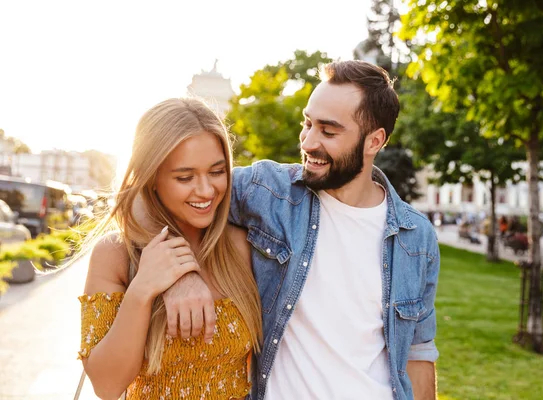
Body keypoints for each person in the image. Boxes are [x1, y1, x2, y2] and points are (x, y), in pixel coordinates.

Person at [158, 61, 440, 400]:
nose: (308, 141)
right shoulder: (267, 191)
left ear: (374, 141)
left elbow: (418, 352)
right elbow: (153, 195)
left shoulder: (416, 236)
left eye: (328, 131)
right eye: (307, 123)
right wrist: (179, 275)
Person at [77, 98, 262, 399]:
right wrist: (143, 289)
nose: (205, 191)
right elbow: (107, 386)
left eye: (217, 172)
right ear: (152, 179)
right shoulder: (115, 254)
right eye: (184, 177)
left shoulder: (242, 246)